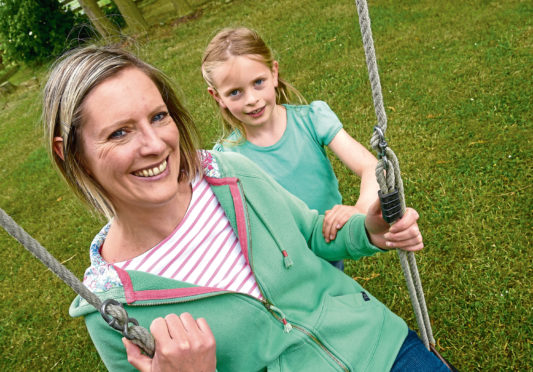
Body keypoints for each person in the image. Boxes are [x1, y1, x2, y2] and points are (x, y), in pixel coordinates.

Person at [43, 45, 448, 372]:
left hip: (382, 346)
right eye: (119, 132)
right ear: (69, 153)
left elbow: (309, 232)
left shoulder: (228, 170)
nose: (154, 144)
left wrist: (369, 231)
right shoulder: (111, 310)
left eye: (159, 116)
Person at [201, 28, 380, 271]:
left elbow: (371, 167)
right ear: (217, 97)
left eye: (258, 82)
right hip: (281, 261)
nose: (251, 99)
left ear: (274, 73)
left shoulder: (312, 119)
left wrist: (359, 210)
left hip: (329, 238)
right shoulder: (226, 158)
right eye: (235, 92)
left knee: (337, 296)